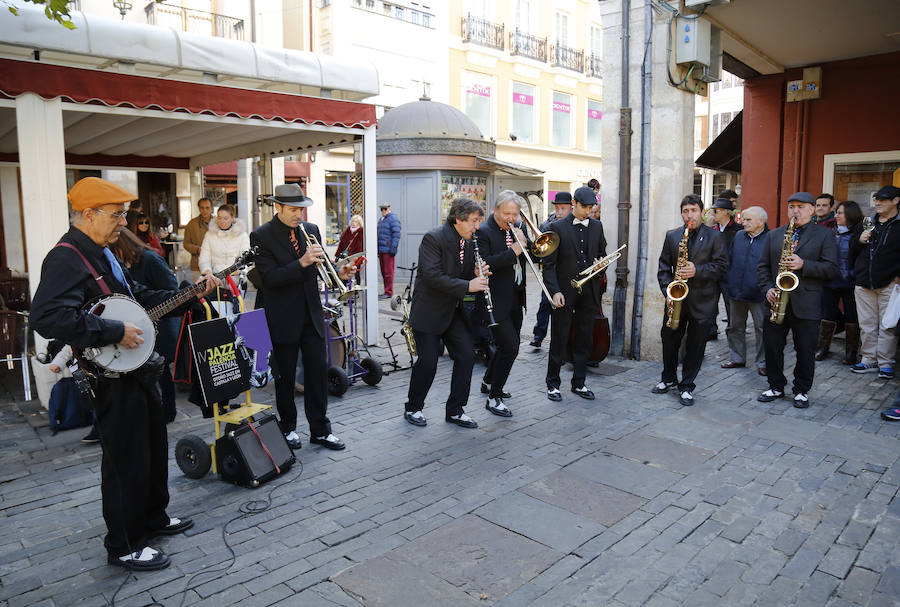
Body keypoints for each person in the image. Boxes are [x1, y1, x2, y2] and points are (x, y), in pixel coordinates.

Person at [30, 177, 219, 571]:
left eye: (124, 215)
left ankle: (153, 517)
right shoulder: (66, 258)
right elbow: (47, 317)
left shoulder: (102, 253)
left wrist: (188, 295)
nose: (123, 223)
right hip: (110, 377)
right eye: (116, 215)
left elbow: (137, 300)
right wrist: (113, 331)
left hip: (137, 370)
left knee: (152, 446)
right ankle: (125, 544)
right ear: (88, 214)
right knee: (126, 458)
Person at [250, 184, 351, 451]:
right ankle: (288, 428)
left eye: (301, 209)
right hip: (282, 315)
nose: (299, 215)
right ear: (278, 207)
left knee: (317, 373)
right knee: (285, 376)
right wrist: (302, 263)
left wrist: (339, 275)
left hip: (311, 314)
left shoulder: (311, 229)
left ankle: (321, 430)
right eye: (293, 210)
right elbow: (269, 279)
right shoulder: (261, 235)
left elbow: (322, 267)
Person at [404, 198, 490, 429]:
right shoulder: (434, 238)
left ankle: (455, 410)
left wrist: (475, 273)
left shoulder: (469, 242)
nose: (477, 227)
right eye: (474, 221)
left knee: (467, 356)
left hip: (453, 311)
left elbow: (462, 273)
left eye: (479, 221)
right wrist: (468, 285)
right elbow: (433, 276)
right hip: (429, 311)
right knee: (428, 362)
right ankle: (413, 407)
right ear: (458, 219)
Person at [757, 192, 838, 408]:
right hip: (776, 301)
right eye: (792, 206)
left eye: (801, 207)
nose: (795, 211)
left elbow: (831, 269)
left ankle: (801, 390)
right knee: (772, 347)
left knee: (805, 349)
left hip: (807, 303)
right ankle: (775, 386)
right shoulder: (774, 235)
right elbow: (762, 267)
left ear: (812, 210)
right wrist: (767, 289)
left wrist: (804, 265)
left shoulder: (824, 235)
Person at [653, 194, 728, 406]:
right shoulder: (672, 235)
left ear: (702, 212)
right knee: (669, 341)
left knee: (695, 346)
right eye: (685, 211)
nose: (689, 215)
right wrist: (668, 292)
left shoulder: (715, 237)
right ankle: (668, 378)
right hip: (676, 300)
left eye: (693, 210)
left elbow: (722, 267)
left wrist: (697, 270)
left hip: (702, 301)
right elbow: (663, 267)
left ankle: (686, 386)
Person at [109, 228, 182, 422]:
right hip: (139, 327)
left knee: (161, 370)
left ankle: (168, 411)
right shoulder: (121, 267)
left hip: (162, 324)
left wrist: (153, 311)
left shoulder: (150, 260)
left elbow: (172, 289)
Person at [543, 186, 607, 402]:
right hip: (564, 292)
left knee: (584, 338)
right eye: (585, 207)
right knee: (559, 338)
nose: (589, 211)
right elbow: (549, 265)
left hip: (589, 292)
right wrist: (554, 291)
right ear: (574, 204)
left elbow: (602, 254)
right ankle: (553, 384)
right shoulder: (556, 227)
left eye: (591, 208)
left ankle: (579, 383)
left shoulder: (597, 226)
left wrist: (601, 265)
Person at [475, 190, 529, 417]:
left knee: (508, 344)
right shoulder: (483, 231)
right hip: (495, 300)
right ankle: (494, 397)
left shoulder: (517, 228)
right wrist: (513, 251)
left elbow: (531, 257)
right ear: (495, 210)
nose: (511, 218)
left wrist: (527, 244)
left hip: (516, 297)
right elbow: (485, 263)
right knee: (511, 347)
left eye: (515, 214)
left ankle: (488, 381)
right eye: (507, 213)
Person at [849, 185, 900, 379]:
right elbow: (851, 249)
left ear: (896, 201)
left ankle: (886, 363)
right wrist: (860, 240)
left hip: (890, 283)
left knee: (888, 325)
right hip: (863, 282)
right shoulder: (867, 222)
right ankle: (868, 360)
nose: (877, 203)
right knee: (867, 324)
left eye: (883, 199)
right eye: (876, 199)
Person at [721, 206, 769, 375]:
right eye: (744, 219)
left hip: (759, 293)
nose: (744, 222)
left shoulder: (771, 238)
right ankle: (737, 358)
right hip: (736, 291)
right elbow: (729, 258)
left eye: (748, 220)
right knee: (734, 327)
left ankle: (763, 362)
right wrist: (729, 281)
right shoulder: (739, 236)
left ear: (761, 221)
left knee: (762, 329)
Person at [816, 200, 863, 363]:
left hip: (851, 282)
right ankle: (823, 347)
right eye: (836, 212)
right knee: (827, 316)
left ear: (850, 214)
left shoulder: (860, 234)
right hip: (830, 281)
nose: (836, 216)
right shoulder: (830, 232)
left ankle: (851, 353)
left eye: (840, 213)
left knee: (852, 318)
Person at [529, 191, 574, 348]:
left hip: (567, 273)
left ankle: (565, 342)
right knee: (545, 304)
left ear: (571, 208)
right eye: (557, 208)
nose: (559, 212)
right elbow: (538, 252)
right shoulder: (547, 225)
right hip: (551, 272)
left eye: (563, 208)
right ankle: (538, 335)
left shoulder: (574, 225)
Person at [199, 204, 250, 275]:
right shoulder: (209, 235)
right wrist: (207, 270)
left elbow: (246, 257)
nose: (222, 221)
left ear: (232, 218)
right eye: (219, 218)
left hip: (236, 277)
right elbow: (204, 257)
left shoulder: (242, 235)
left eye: (225, 218)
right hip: (215, 277)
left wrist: (241, 270)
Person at [183, 197, 213, 279]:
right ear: (199, 208)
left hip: (215, 264)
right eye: (202, 208)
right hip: (197, 264)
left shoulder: (218, 222)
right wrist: (197, 249)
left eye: (207, 208)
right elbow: (186, 243)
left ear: (211, 208)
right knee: (199, 286)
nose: (205, 210)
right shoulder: (192, 224)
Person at [377, 203, 401, 299]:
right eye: (381, 209)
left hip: (388, 250)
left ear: (389, 209)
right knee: (384, 272)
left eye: (385, 209)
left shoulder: (393, 218)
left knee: (388, 272)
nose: (383, 211)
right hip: (381, 250)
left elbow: (396, 234)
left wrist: (393, 249)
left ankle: (389, 292)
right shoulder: (381, 219)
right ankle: (386, 291)